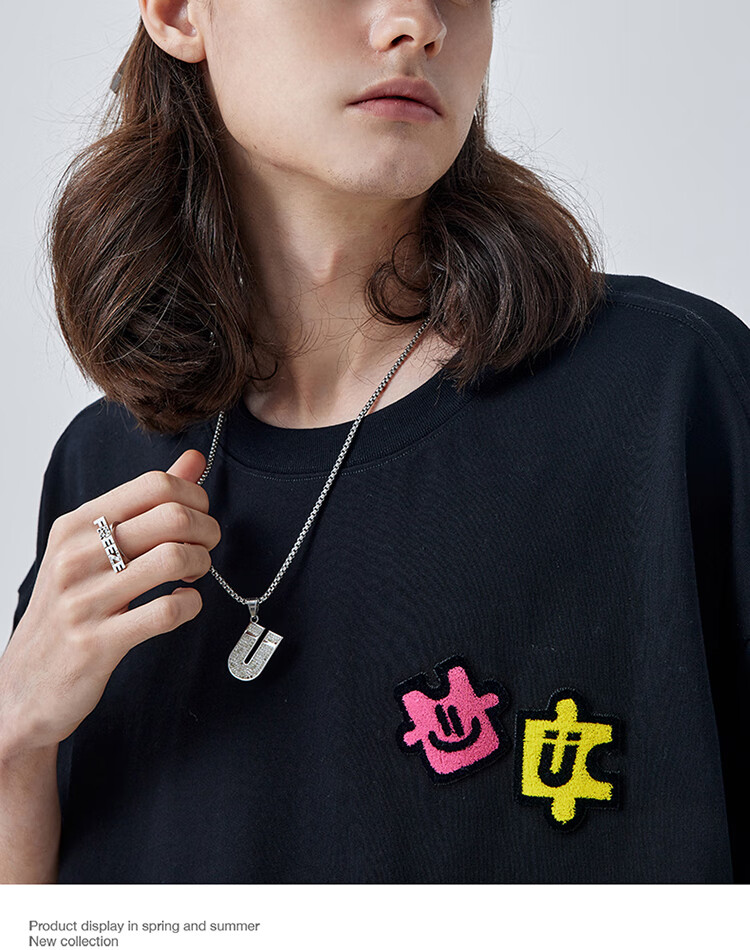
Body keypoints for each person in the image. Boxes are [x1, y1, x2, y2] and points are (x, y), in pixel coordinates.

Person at [1, 0, 748, 884]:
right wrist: (16, 737)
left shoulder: (670, 393)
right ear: (177, 12)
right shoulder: (104, 471)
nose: (417, 23)